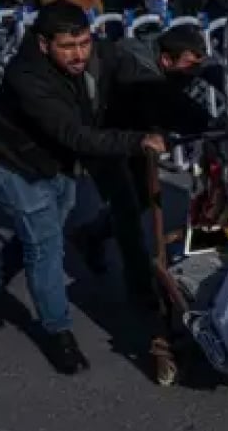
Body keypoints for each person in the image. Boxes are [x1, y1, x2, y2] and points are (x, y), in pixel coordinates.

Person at [0, 1, 167, 375]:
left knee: (40, 236)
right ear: (44, 44)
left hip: (55, 159)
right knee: (45, 245)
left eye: (84, 43)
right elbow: (75, 134)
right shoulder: (28, 76)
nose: (79, 55)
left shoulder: (98, 57)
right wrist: (136, 141)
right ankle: (58, 333)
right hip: (14, 162)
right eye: (67, 47)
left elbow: (138, 79)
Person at [72, 25, 218, 308]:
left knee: (141, 197)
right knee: (126, 209)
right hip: (105, 135)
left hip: (136, 132)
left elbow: (210, 71)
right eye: (188, 66)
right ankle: (141, 291)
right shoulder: (137, 69)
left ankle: (91, 234)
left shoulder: (175, 54)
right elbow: (170, 103)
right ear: (166, 60)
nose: (192, 72)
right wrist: (210, 123)